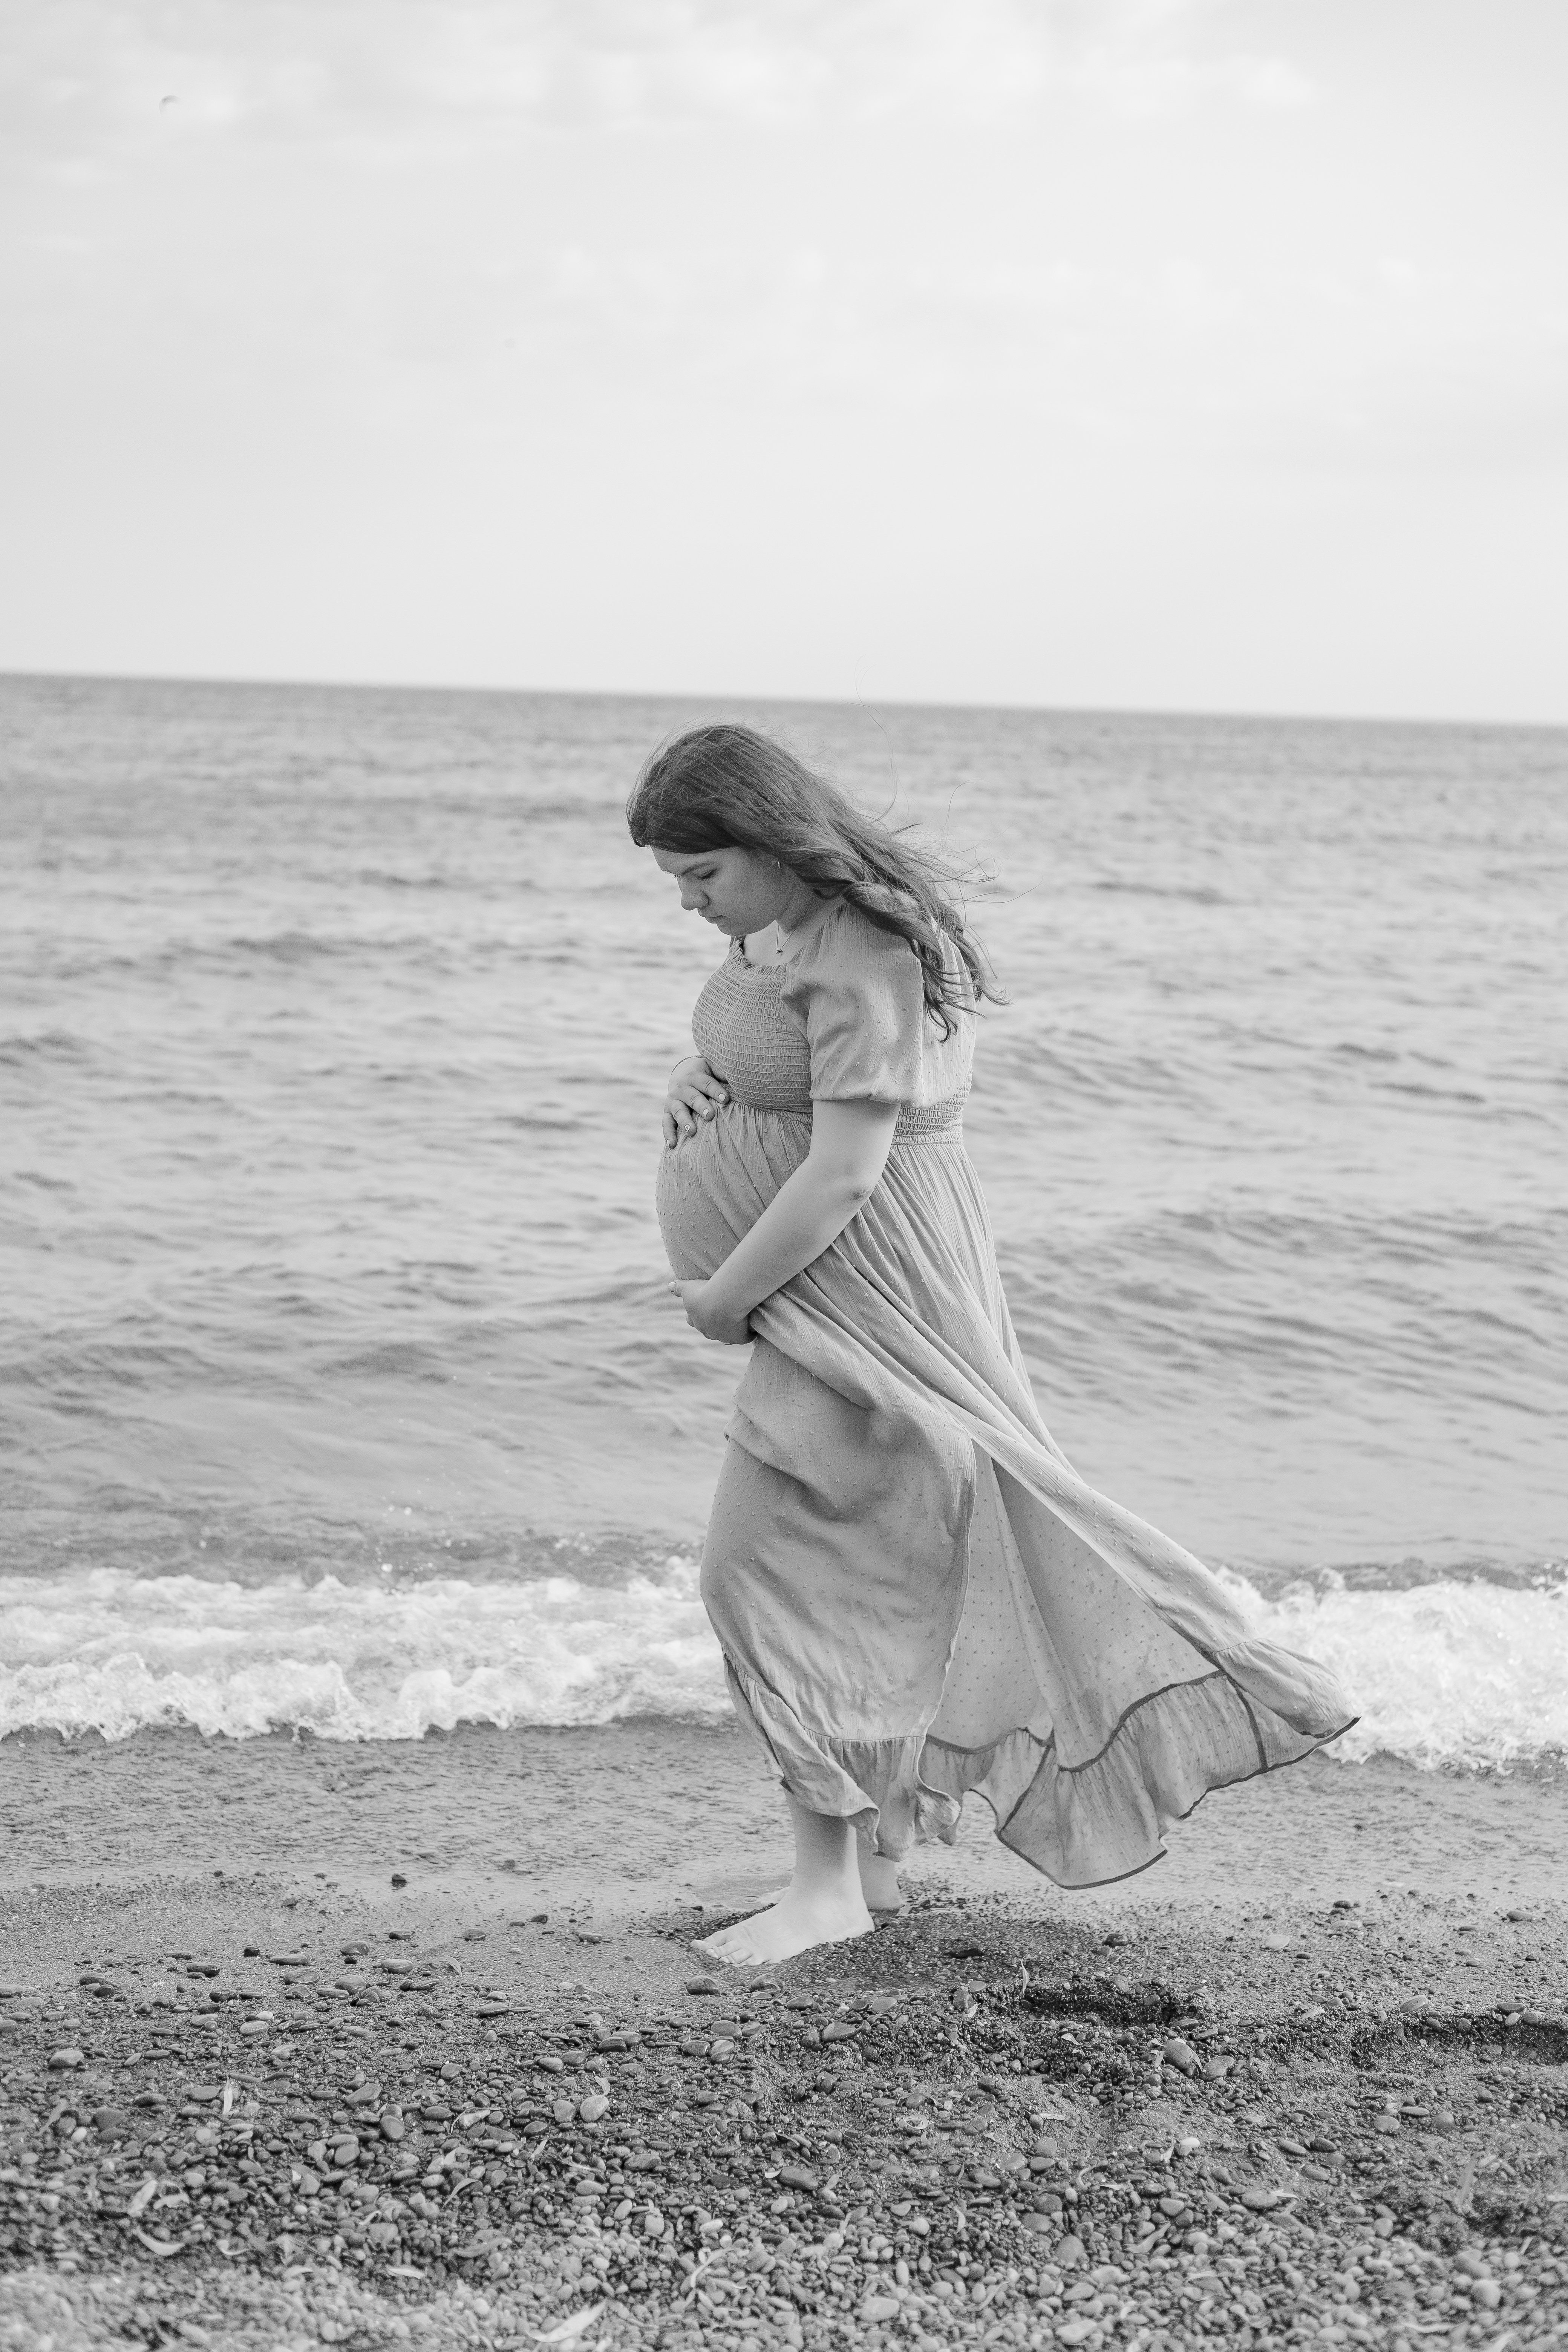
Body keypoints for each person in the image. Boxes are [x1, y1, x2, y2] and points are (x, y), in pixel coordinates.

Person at [629, 722, 1354, 1967]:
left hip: (868, 1290)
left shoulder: (866, 947)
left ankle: (827, 1891)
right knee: (881, 1554)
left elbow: (850, 1171)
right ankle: (877, 1861)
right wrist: (697, 1090)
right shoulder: (788, 927)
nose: (691, 906)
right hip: (843, 1289)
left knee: (760, 1571)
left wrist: (719, 1298)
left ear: (765, 841)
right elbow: (779, 1067)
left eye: (703, 876)